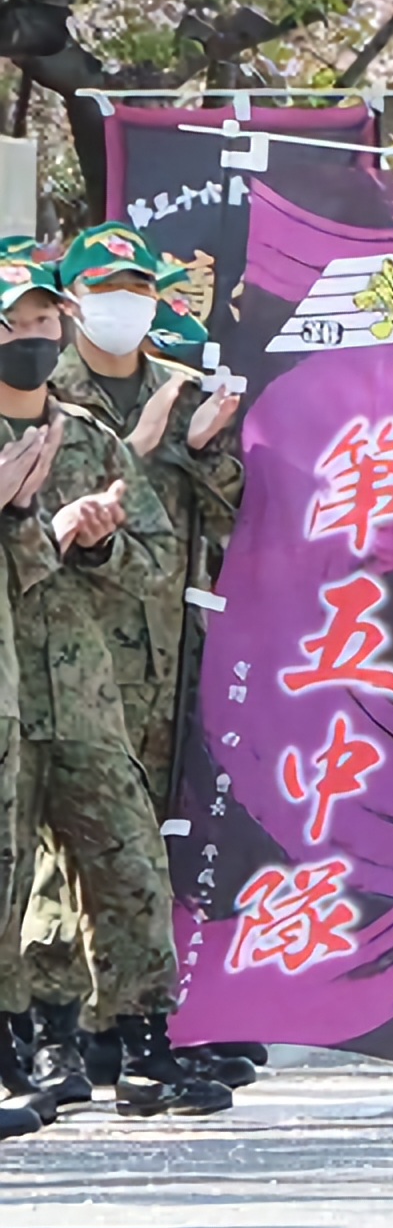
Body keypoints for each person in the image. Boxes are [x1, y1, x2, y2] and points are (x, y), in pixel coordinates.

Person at [2, 259, 211, 1118]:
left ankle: (144, 1044)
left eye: (45, 324)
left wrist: (94, 542)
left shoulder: (89, 438)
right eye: (16, 325)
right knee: (10, 876)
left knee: (127, 859)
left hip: (87, 689)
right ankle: (31, 1041)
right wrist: (33, 529)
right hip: (8, 688)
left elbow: (157, 565)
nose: (34, 340)